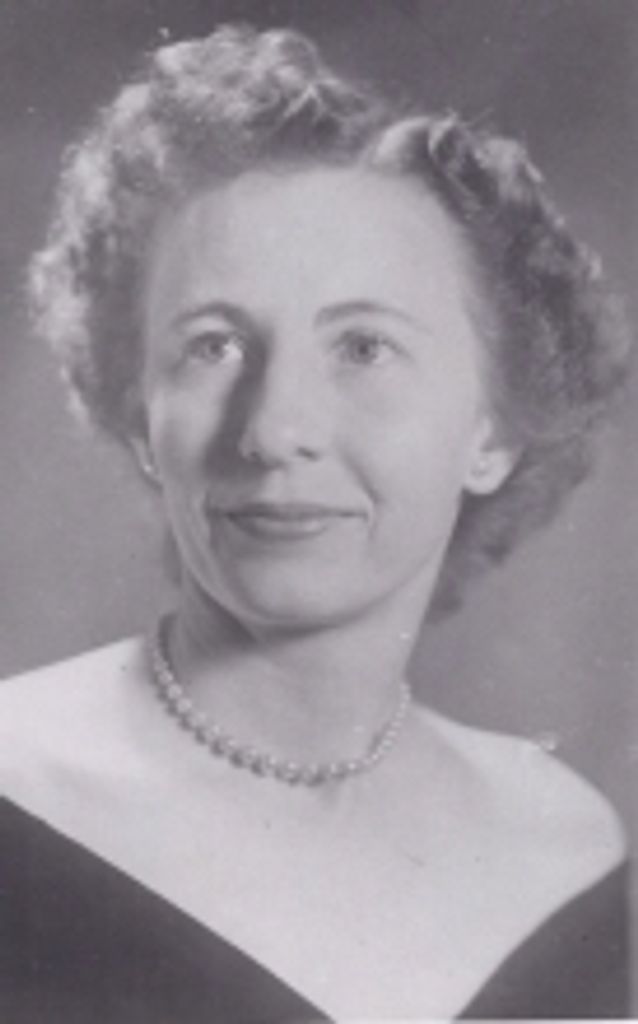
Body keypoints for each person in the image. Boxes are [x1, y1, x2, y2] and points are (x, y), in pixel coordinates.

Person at [0, 24, 632, 1023]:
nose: (273, 430)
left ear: (494, 430)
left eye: (364, 348)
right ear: (137, 417)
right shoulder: (17, 782)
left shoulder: (569, 852)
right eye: (212, 345)